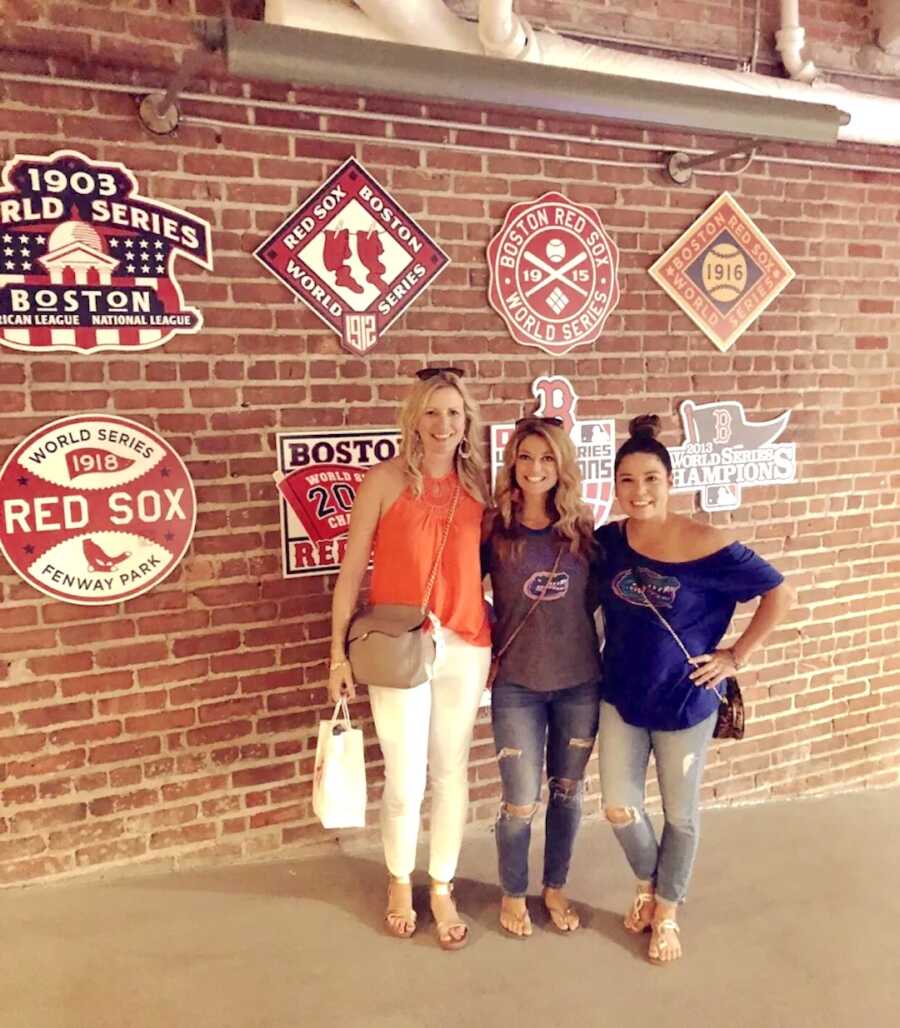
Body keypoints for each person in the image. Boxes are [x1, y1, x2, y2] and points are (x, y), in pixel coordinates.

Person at [594, 415, 794, 965]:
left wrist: (736, 656)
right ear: (615, 486)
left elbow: (779, 593)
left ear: (669, 480)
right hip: (622, 697)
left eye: (651, 479)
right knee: (617, 806)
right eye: (628, 481)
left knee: (680, 816)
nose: (639, 492)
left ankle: (668, 911)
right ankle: (647, 885)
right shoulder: (609, 542)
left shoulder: (710, 544)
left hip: (685, 701)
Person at [328, 367, 491, 951]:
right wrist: (337, 654)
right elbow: (350, 575)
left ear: (465, 419)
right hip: (399, 645)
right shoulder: (384, 482)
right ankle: (400, 878)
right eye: (431, 412)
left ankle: (441, 883)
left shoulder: (479, 487)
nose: (443, 424)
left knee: (450, 771)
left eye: (453, 412)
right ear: (413, 420)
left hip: (466, 644)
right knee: (405, 776)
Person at [482, 416, 601, 938]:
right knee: (520, 800)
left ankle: (554, 886)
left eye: (547, 458)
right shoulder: (494, 527)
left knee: (568, 792)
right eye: (526, 457)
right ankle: (513, 891)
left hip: (579, 680)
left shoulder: (582, 528)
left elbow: (602, 599)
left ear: (563, 466)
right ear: (513, 462)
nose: (535, 468)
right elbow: (463, 592)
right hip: (517, 686)